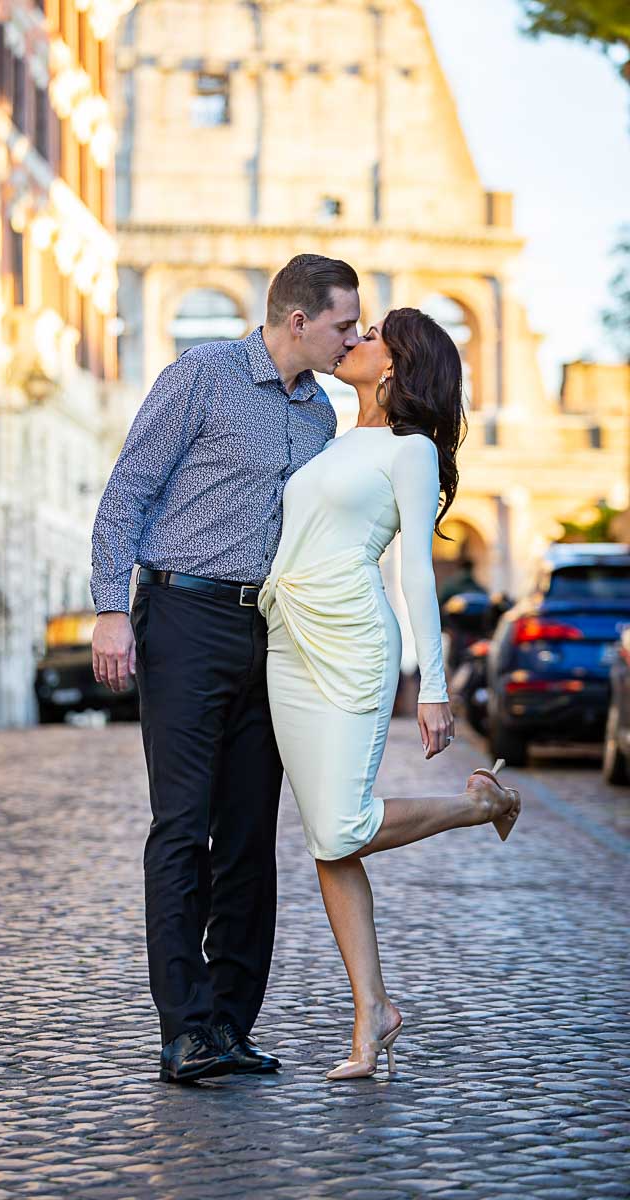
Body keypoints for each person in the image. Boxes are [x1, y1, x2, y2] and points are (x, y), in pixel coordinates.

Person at [90, 254, 361, 1084]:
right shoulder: (202, 374)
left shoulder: (321, 416)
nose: (352, 339)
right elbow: (129, 488)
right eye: (343, 324)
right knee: (184, 827)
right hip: (184, 617)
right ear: (297, 322)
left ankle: (230, 1026)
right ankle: (183, 1027)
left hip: (270, 632)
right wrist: (110, 606)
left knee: (249, 835)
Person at [257, 308, 521, 1082]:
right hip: (286, 641)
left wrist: (432, 689)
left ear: (397, 368)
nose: (353, 341)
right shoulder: (333, 438)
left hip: (349, 643)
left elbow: (412, 573)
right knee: (326, 840)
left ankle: (482, 805)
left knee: (343, 824)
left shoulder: (409, 452)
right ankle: (374, 1014)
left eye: (369, 336)